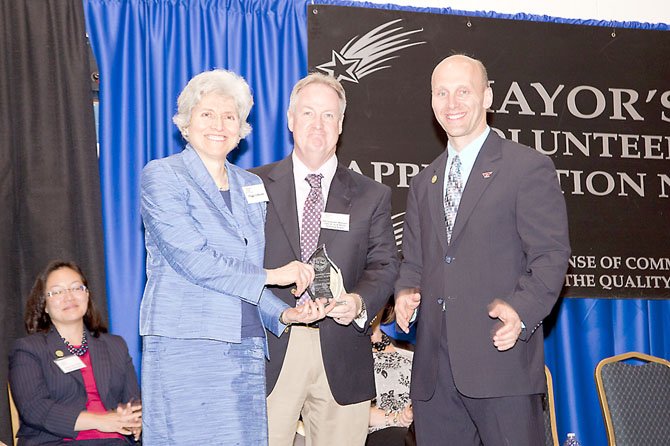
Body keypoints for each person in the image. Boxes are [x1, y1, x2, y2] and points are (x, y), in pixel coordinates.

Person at [139, 69, 328, 445]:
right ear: (186, 122)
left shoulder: (251, 186)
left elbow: (246, 270)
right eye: (207, 113)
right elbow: (194, 260)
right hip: (187, 343)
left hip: (245, 346)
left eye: (230, 117)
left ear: (241, 128)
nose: (219, 124)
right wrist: (274, 275)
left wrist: (283, 313)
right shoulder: (162, 176)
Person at [394, 54, 571, 445]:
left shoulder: (527, 167)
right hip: (434, 378)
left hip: (500, 366)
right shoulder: (424, 182)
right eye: (441, 93)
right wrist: (406, 292)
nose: (451, 102)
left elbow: (551, 255)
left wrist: (521, 311)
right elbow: (415, 262)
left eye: (463, 91)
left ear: (487, 97)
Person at [252, 72, 399, 446]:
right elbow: (241, 267)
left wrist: (358, 301)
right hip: (273, 344)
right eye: (308, 113)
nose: (318, 124)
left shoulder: (372, 196)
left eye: (328, 115)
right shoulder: (251, 186)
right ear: (290, 119)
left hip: (343, 347)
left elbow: (385, 265)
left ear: (341, 125)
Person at [9, 260, 142, 445]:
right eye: (57, 292)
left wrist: (133, 420)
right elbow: (35, 409)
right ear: (44, 305)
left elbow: (133, 402)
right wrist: (101, 421)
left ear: (87, 295)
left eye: (76, 288)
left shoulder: (115, 345)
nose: (69, 297)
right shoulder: (29, 349)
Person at [366, 305, 414, 446]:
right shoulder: (344, 354)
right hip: (372, 433)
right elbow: (341, 411)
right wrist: (396, 418)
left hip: (415, 431)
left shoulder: (409, 350)